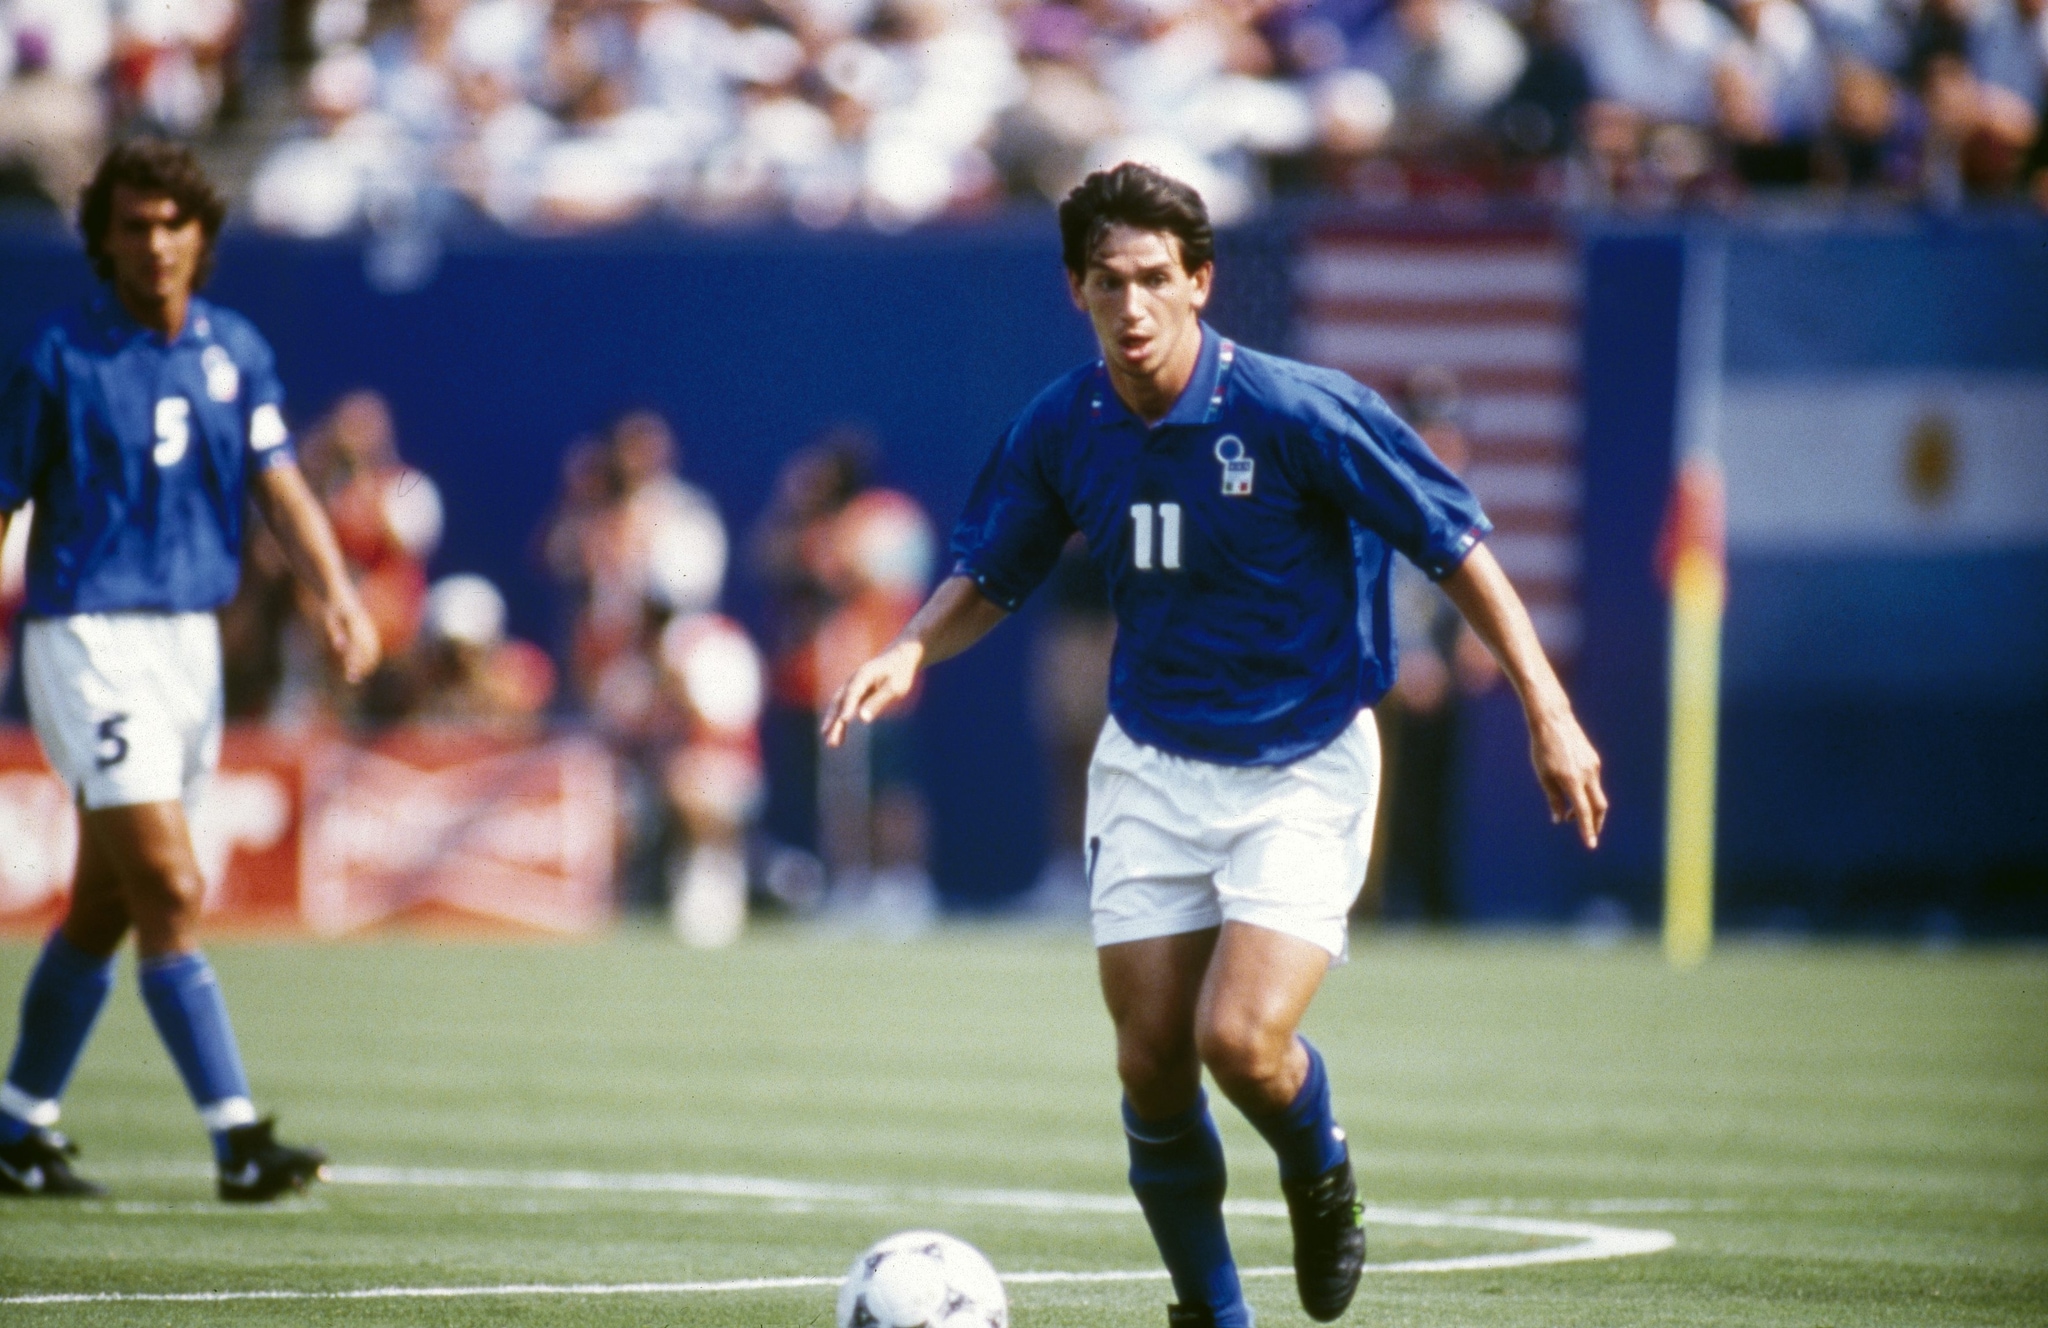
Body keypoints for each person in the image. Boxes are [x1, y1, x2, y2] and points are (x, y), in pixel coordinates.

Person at [822, 161, 1607, 1327]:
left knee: (1238, 1038)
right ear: (1073, 291)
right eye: (1105, 283)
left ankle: (1318, 1164)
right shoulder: (1063, 424)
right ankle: (1213, 1313)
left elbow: (1456, 546)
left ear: (1200, 280)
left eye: (1152, 279)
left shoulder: (1295, 409)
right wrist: (911, 650)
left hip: (1299, 762)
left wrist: (1548, 707)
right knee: (1149, 1059)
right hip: (1150, 763)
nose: (1130, 307)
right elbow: (993, 570)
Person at [0, 140, 380, 1202]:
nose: (154, 243)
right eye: (133, 225)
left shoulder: (234, 352)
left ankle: (16, 1121)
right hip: (88, 638)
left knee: (109, 901)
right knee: (171, 880)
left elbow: (281, 487)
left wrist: (336, 593)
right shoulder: (58, 359)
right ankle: (237, 1135)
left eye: (172, 222)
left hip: (188, 648)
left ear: (201, 233)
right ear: (105, 239)